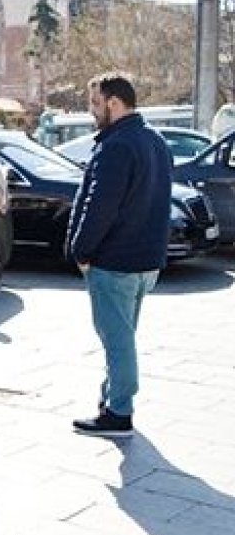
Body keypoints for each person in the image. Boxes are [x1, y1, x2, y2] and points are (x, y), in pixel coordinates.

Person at [67, 72, 171, 437]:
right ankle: (111, 399)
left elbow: (98, 206)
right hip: (145, 261)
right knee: (122, 335)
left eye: (95, 104)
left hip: (115, 261)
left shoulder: (117, 146)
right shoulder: (154, 141)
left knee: (116, 338)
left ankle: (119, 413)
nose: (92, 112)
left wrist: (81, 251)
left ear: (114, 103)